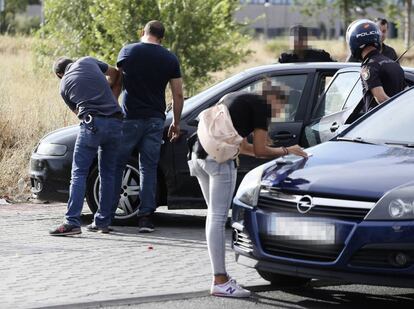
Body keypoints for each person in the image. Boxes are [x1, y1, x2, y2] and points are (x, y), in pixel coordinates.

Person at [188, 90, 308, 298]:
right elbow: (261, 150)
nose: (277, 115)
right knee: (217, 219)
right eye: (280, 110)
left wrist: (282, 154)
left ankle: (220, 278)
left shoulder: (234, 97)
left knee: (212, 218)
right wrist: (288, 150)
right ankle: (220, 280)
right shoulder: (262, 107)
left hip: (197, 156)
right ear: (276, 102)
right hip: (219, 162)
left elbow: (244, 147)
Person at [113, 20, 184, 233]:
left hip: (129, 118)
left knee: (116, 165)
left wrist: (111, 111)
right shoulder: (169, 58)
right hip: (155, 119)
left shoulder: (128, 52)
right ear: (161, 37)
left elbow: (116, 83)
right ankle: (145, 218)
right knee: (148, 168)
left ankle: (107, 215)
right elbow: (178, 94)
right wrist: (177, 123)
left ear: (143, 31)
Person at [49, 56, 123, 236]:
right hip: (115, 121)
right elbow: (115, 73)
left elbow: (78, 112)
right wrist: (111, 95)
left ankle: (72, 222)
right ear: (72, 62)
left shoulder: (63, 86)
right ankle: (102, 221)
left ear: (60, 74)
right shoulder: (88, 61)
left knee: (79, 173)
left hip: (92, 124)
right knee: (108, 173)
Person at [346, 19, 406, 113]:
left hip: (377, 123)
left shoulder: (369, 67)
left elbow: (381, 99)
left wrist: (398, 111)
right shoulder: (394, 64)